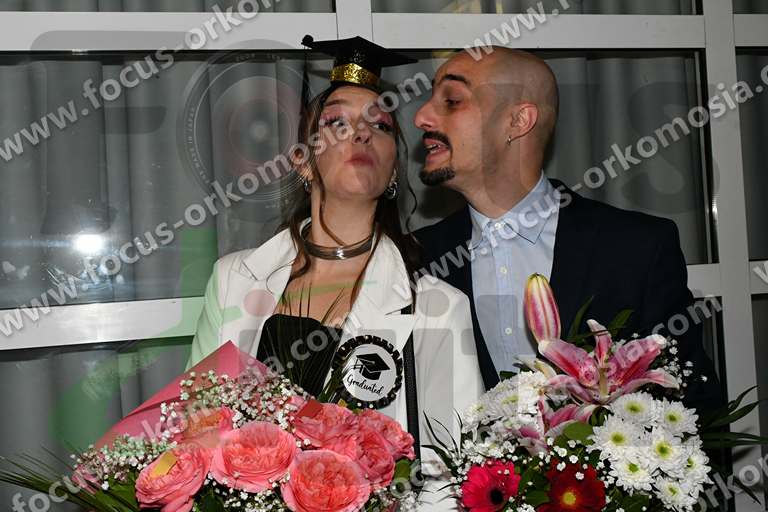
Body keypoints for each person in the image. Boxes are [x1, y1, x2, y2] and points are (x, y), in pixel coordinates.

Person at [187, 35, 483, 510]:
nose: (361, 134)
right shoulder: (233, 280)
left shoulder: (438, 307)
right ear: (302, 162)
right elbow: (195, 433)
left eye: (380, 126)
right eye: (337, 122)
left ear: (393, 173)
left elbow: (448, 480)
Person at [412, 46, 724, 415]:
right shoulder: (418, 257)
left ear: (518, 121)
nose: (421, 117)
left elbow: (694, 407)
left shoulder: (636, 248)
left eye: (451, 100)